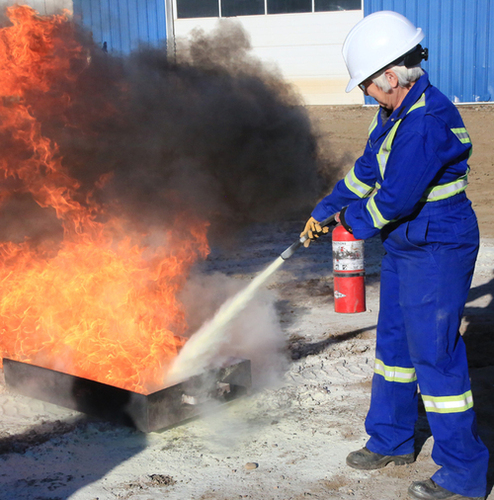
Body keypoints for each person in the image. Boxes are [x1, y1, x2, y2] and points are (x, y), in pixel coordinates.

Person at [301, 11, 489, 500]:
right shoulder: (393, 113)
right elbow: (367, 172)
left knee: (435, 355)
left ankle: (464, 473)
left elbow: (394, 198)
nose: (365, 93)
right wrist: (326, 209)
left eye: (367, 84)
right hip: (408, 242)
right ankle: (391, 438)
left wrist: (348, 227)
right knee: (396, 347)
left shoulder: (426, 121)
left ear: (390, 74)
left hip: (438, 242)